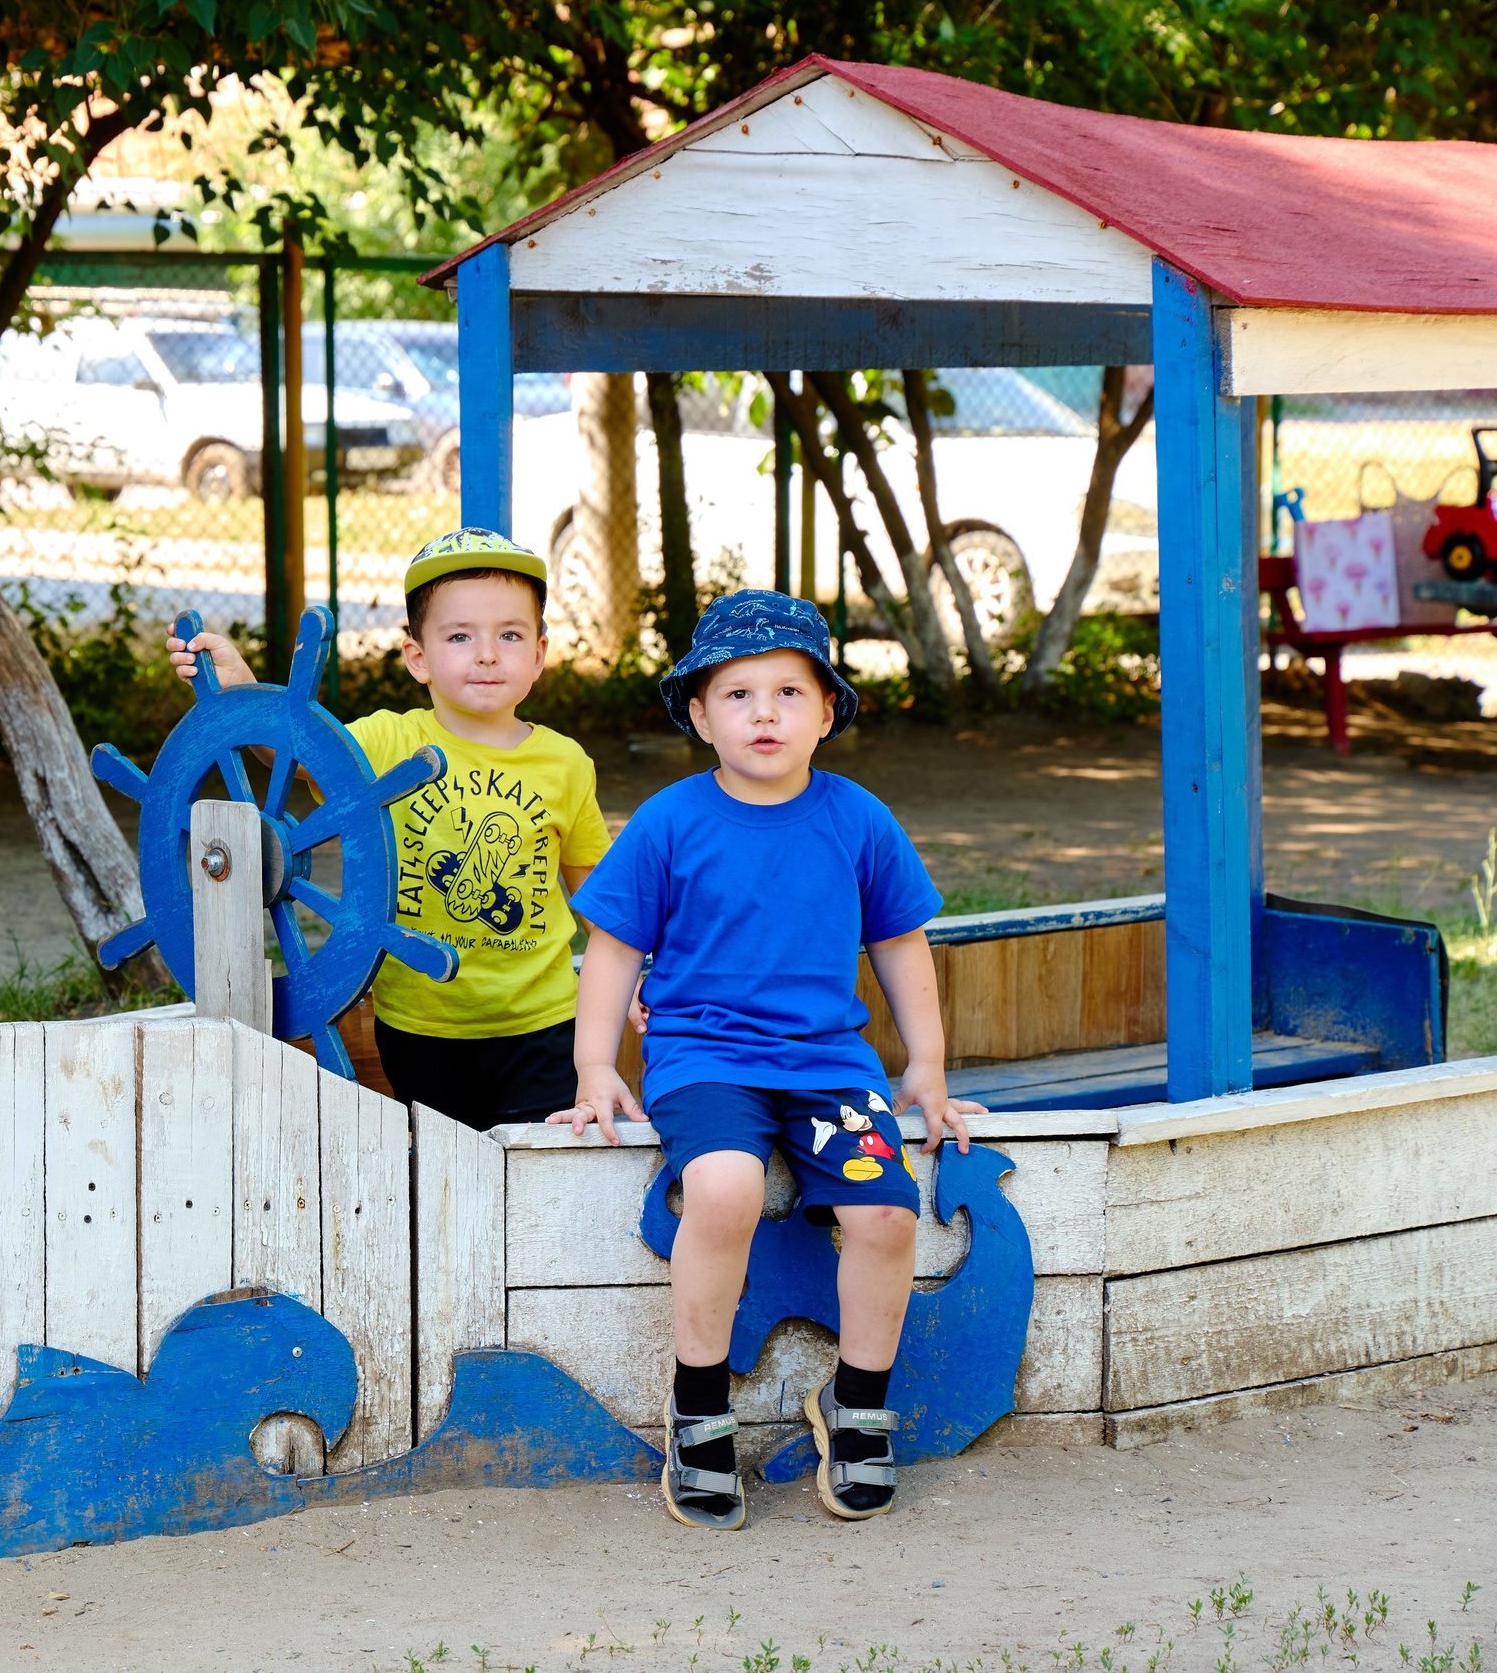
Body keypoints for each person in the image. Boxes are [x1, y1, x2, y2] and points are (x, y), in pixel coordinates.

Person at [550, 590, 979, 1529]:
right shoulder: (669, 822)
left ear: (828, 711)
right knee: (725, 1189)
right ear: (700, 716)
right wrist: (595, 1063)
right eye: (738, 694)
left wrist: (926, 1065)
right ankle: (699, 1406)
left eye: (790, 691)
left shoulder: (858, 819)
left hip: (829, 1067)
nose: (766, 712)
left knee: (884, 1209)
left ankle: (857, 1402)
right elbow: (614, 950)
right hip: (703, 1060)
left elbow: (901, 942)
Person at [167, 528, 610, 1130]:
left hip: (546, 1023)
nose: (487, 654)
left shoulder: (565, 763)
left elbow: (598, 895)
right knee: (444, 1172)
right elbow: (295, 754)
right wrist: (241, 685)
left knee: (537, 1168)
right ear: (417, 657)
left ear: (538, 653)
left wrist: (640, 976)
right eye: (460, 636)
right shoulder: (388, 740)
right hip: (419, 1025)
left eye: (510, 635)